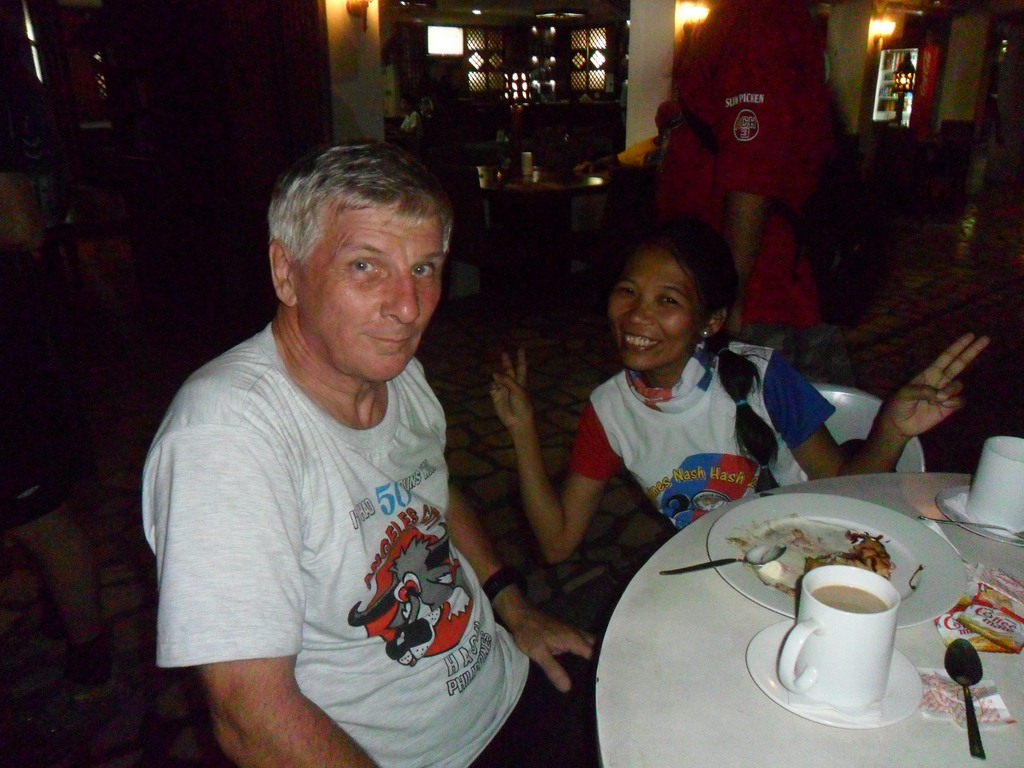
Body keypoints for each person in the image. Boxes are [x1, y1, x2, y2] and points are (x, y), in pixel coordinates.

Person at [141, 142, 596, 768]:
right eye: (364, 266)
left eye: (424, 268)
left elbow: (430, 493)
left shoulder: (398, 376)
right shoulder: (225, 437)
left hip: (506, 679)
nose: (407, 307)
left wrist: (513, 607)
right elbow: (250, 716)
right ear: (285, 272)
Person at [489, 218, 989, 562]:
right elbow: (557, 543)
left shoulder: (763, 379)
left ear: (710, 321)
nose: (637, 315)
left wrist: (893, 429)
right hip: (717, 566)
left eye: (668, 300)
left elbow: (843, 488)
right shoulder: (609, 410)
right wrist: (523, 432)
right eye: (628, 291)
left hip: (811, 554)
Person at [1, 11, 111, 694]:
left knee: (37, 507)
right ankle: (60, 612)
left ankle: (91, 646)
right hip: (22, 321)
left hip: (9, 333)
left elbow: (21, 223)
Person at [655, 0, 847, 383]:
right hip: (742, 278)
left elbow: (752, 172)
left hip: (756, 291)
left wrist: (731, 297)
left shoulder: (756, 18)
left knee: (747, 410)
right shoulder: (757, 17)